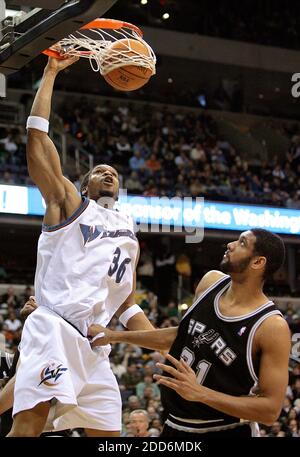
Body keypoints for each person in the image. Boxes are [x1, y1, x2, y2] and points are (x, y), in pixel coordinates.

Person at [8, 56, 153, 437]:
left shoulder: (128, 229)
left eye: (115, 173)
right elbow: (38, 144)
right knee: (29, 425)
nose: (108, 172)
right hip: (55, 327)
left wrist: (156, 341)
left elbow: (124, 301)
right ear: (84, 185)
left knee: (108, 434)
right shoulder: (70, 203)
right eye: (99, 171)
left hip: (95, 346)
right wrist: (51, 72)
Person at [89, 229, 291, 437]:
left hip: (226, 429)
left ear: (258, 262)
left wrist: (201, 394)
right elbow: (181, 335)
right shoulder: (210, 282)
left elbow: (270, 411)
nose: (230, 244)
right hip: (174, 425)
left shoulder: (271, 326)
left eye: (241, 243)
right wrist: (114, 335)